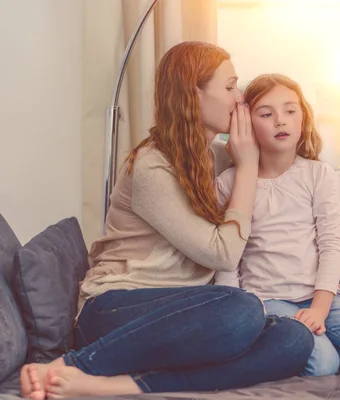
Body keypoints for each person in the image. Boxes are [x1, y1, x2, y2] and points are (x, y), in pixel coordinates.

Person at [19, 42, 321, 400]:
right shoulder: (152, 166)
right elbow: (222, 254)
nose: (239, 99)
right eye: (229, 87)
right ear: (193, 93)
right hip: (116, 309)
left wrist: (311, 232)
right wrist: (248, 166)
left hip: (185, 313)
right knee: (242, 309)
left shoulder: (222, 157)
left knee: (295, 339)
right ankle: (75, 365)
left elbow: (275, 205)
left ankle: (118, 386)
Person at [214, 73, 340, 377]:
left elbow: (331, 242)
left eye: (290, 111)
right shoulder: (228, 183)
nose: (280, 121)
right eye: (266, 114)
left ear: (303, 118)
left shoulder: (318, 175)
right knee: (323, 365)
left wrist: (320, 308)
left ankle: (306, 343)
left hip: (318, 296)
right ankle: (285, 346)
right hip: (266, 300)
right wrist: (234, 315)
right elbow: (226, 257)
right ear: (245, 124)